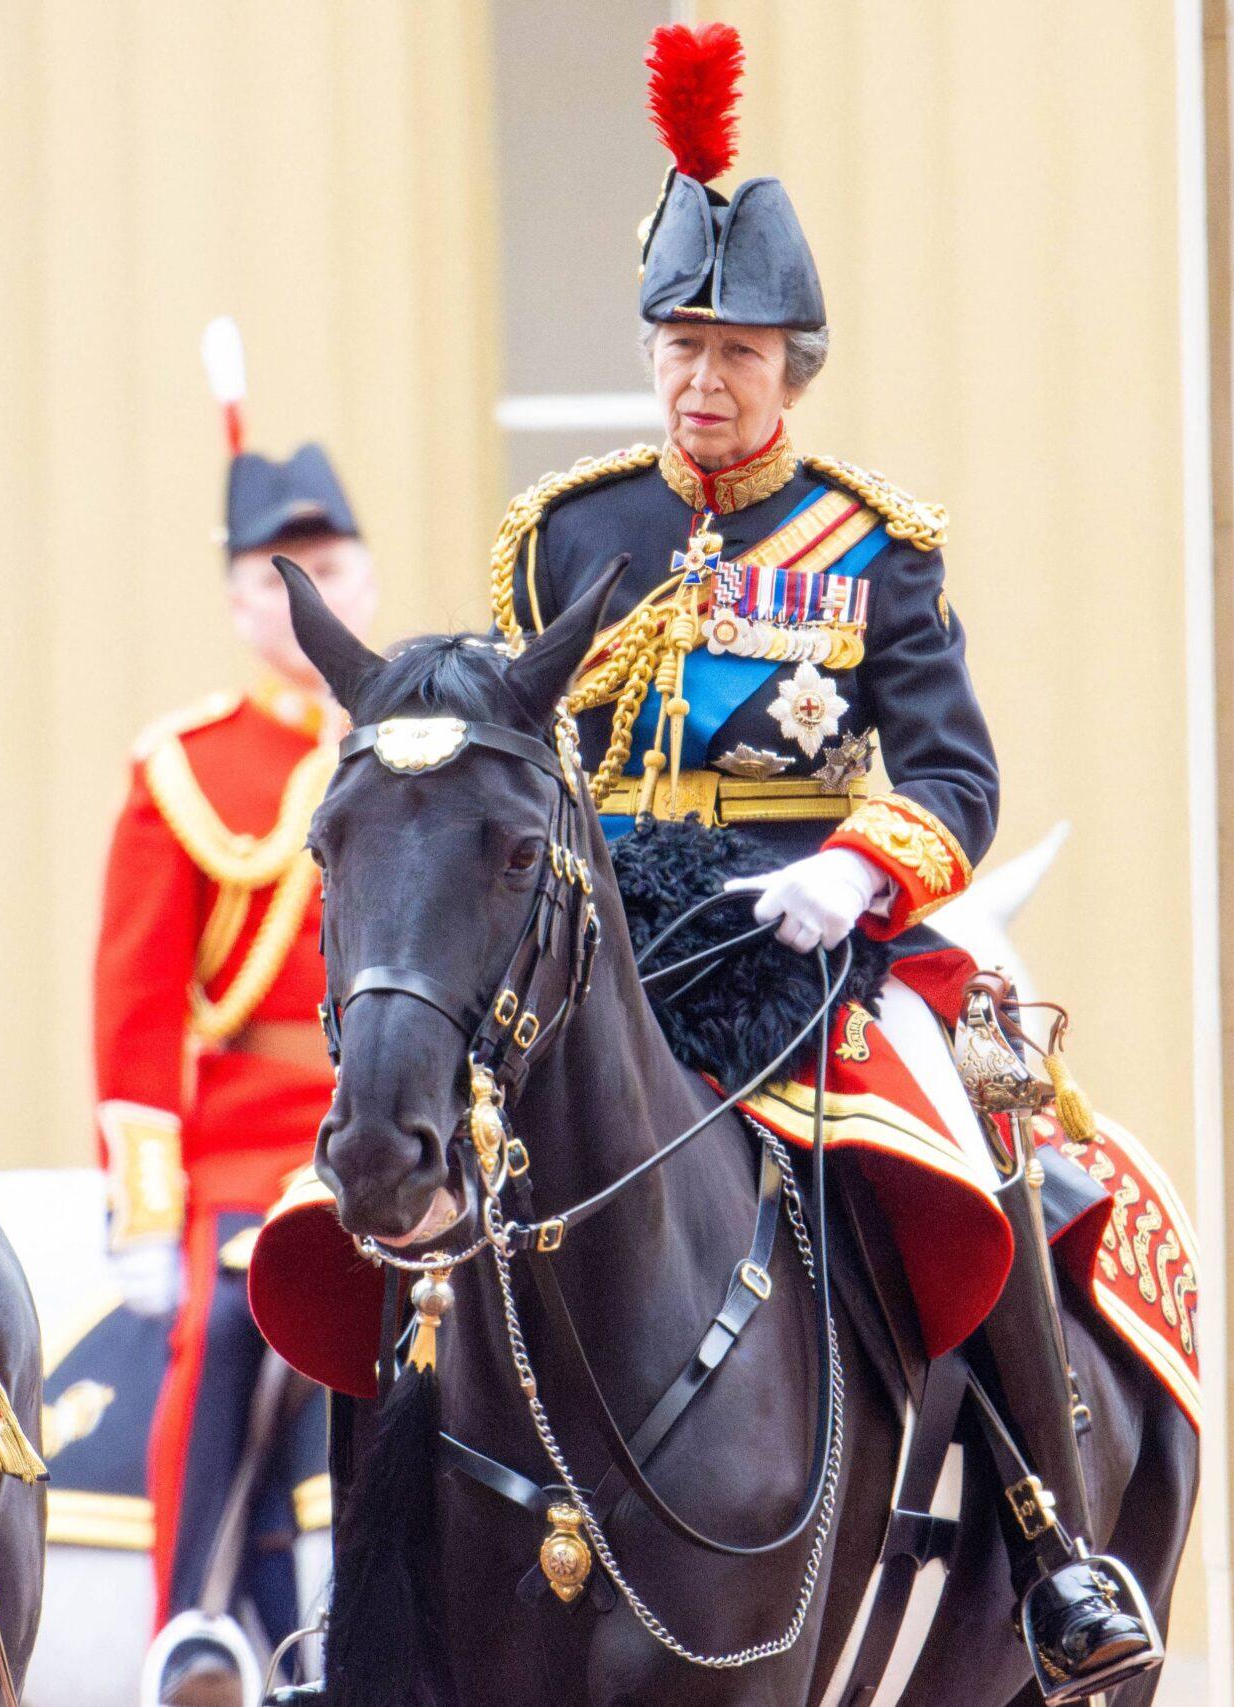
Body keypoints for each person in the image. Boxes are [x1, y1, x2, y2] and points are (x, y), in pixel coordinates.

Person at [487, 22, 1158, 1699]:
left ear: (795, 368)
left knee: (950, 1135)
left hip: (799, 940)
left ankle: (1054, 1540)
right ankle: (370, 1559)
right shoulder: (572, 532)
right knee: (406, 1159)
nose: (702, 380)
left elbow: (954, 772)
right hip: (603, 931)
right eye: (679, 347)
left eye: (737, 350)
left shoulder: (872, 548)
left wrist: (855, 874)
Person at [97, 337, 375, 1706]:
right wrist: (147, 1218)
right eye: (291, 571)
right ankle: (195, 1628)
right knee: (224, 1328)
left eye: (338, 567)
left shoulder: (415, 735)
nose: (320, 591)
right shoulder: (191, 764)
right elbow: (139, 1002)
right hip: (247, 1140)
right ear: (240, 597)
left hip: (411, 1124)